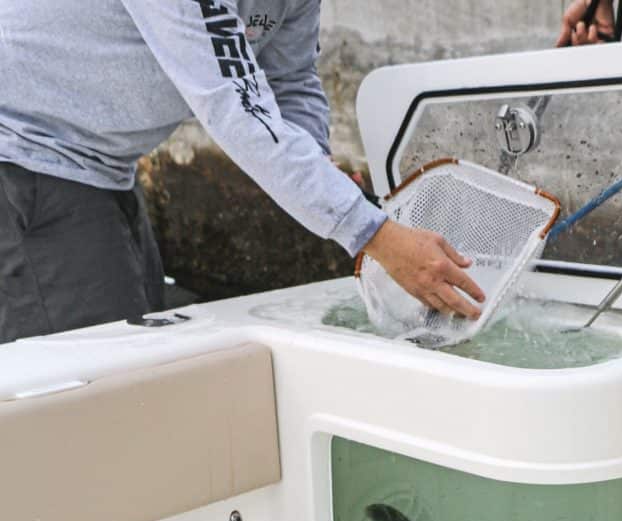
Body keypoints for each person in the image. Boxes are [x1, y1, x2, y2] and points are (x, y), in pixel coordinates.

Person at [0, 0, 484, 344]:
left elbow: (289, 79)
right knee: (95, 390)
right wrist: (371, 232)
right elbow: (231, 106)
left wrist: (317, 168)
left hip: (103, 167)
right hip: (25, 156)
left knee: (147, 345)